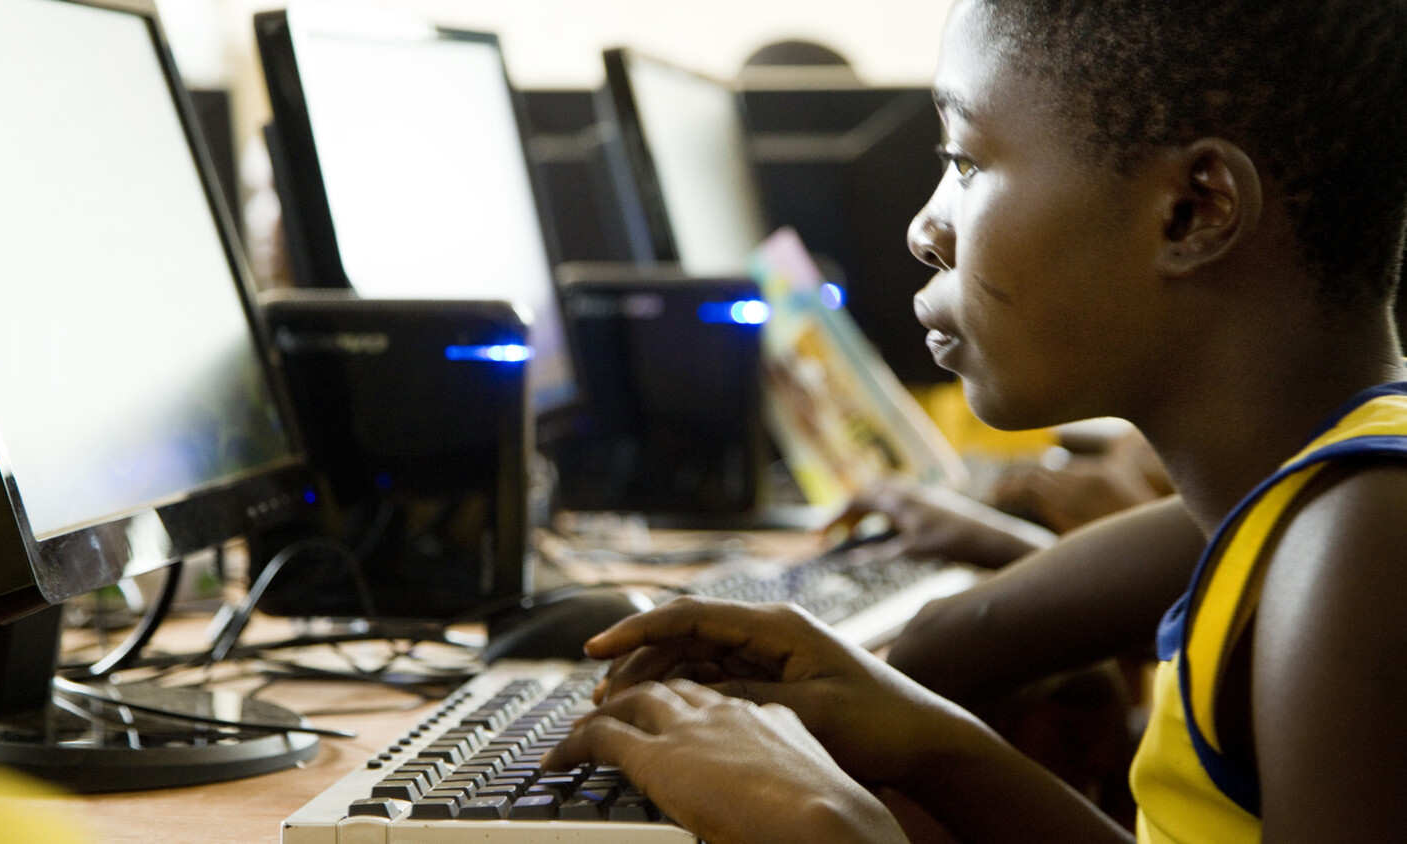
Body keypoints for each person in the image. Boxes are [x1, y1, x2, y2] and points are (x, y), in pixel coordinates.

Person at [540, 0, 1407, 842]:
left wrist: (834, 830)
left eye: (964, 162)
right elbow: (971, 634)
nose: (925, 229)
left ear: (1194, 211)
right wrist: (937, 746)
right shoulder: (1294, 502)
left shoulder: (1362, 542)